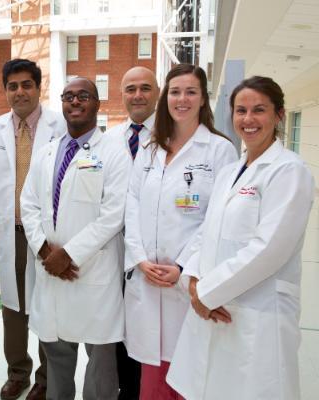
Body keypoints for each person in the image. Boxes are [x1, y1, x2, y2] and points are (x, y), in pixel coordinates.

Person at [166, 76, 315, 399]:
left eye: (259, 110)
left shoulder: (290, 171)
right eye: (241, 110)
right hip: (214, 304)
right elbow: (206, 232)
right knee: (210, 387)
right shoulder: (229, 172)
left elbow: (269, 250)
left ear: (279, 115)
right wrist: (192, 280)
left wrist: (206, 293)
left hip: (258, 313)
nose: (248, 119)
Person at [123, 64, 237, 400]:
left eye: (190, 92)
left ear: (203, 99)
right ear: (166, 98)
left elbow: (217, 218)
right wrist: (140, 259)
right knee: (151, 380)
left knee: (188, 377)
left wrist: (184, 267)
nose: (182, 99)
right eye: (175, 92)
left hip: (188, 281)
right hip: (147, 278)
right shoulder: (151, 148)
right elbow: (132, 204)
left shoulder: (220, 150)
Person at [21, 77, 131, 400]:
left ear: (97, 103)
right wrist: (45, 251)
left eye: (84, 95)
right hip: (52, 272)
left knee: (100, 365)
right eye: (68, 96)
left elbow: (114, 214)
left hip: (92, 271)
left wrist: (68, 254)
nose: (75, 101)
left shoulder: (114, 153)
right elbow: (29, 204)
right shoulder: (46, 152)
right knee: (57, 357)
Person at [0, 59, 66, 400]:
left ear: (38, 88)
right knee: (13, 308)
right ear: (6, 91)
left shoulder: (60, 125)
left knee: (48, 305)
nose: (20, 92)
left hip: (48, 236)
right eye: (13, 86)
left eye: (26, 85)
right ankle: (17, 373)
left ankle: (46, 378)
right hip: (12, 233)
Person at [106, 65, 160, 400]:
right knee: (118, 330)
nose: (137, 95)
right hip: (113, 248)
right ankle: (125, 391)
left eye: (145, 88)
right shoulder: (110, 138)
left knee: (149, 332)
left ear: (157, 93)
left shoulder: (171, 137)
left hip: (152, 254)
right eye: (130, 89)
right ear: (121, 94)